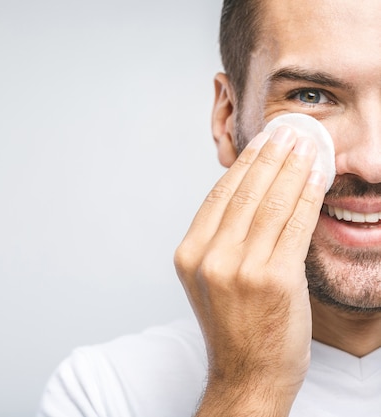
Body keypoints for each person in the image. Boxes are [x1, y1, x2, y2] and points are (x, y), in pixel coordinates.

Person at [37, 0, 381, 415]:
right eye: (312, 95)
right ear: (227, 117)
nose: (371, 163)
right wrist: (249, 385)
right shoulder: (104, 391)